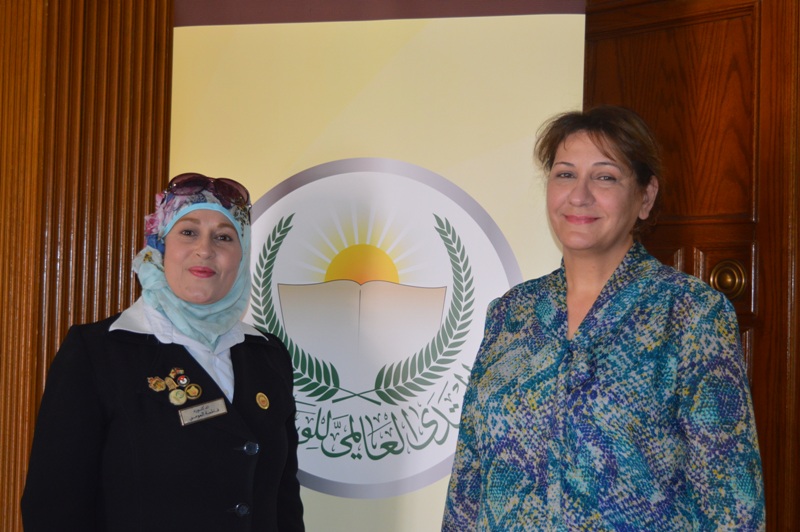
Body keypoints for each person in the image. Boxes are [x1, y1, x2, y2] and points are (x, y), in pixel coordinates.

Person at [442, 106, 765, 530]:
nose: (579, 195)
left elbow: (731, 502)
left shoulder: (691, 314)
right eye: (565, 174)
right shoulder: (511, 313)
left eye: (605, 177)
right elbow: (468, 480)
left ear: (645, 197)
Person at [22, 173, 304, 531]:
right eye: (188, 232)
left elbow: (283, 502)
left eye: (224, 236)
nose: (205, 249)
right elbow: (53, 507)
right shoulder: (97, 353)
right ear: (159, 246)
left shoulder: (267, 355)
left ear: (242, 253)